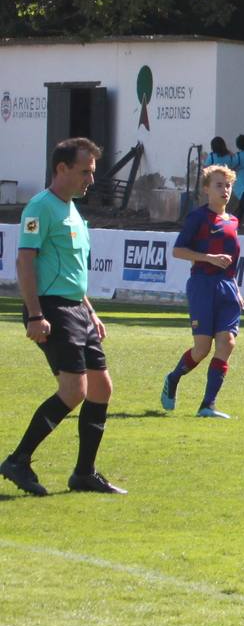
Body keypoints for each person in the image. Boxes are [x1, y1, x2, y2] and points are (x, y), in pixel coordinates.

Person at [1, 138, 124, 497]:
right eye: (85, 171)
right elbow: (25, 261)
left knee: (101, 388)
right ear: (62, 169)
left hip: (75, 308)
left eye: (92, 172)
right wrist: (35, 315)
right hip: (52, 307)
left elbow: (70, 269)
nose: (90, 179)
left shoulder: (73, 212)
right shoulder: (41, 207)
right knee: (74, 390)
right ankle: (18, 460)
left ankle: (84, 473)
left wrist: (90, 311)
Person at [161, 163, 243, 418]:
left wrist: (236, 289)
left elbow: (230, 261)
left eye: (228, 185)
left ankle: (208, 405)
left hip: (227, 288)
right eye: (219, 185)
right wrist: (208, 257)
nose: (225, 190)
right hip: (202, 286)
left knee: (227, 343)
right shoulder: (198, 217)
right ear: (206, 189)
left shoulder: (234, 221)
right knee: (202, 348)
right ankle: (173, 379)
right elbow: (178, 251)